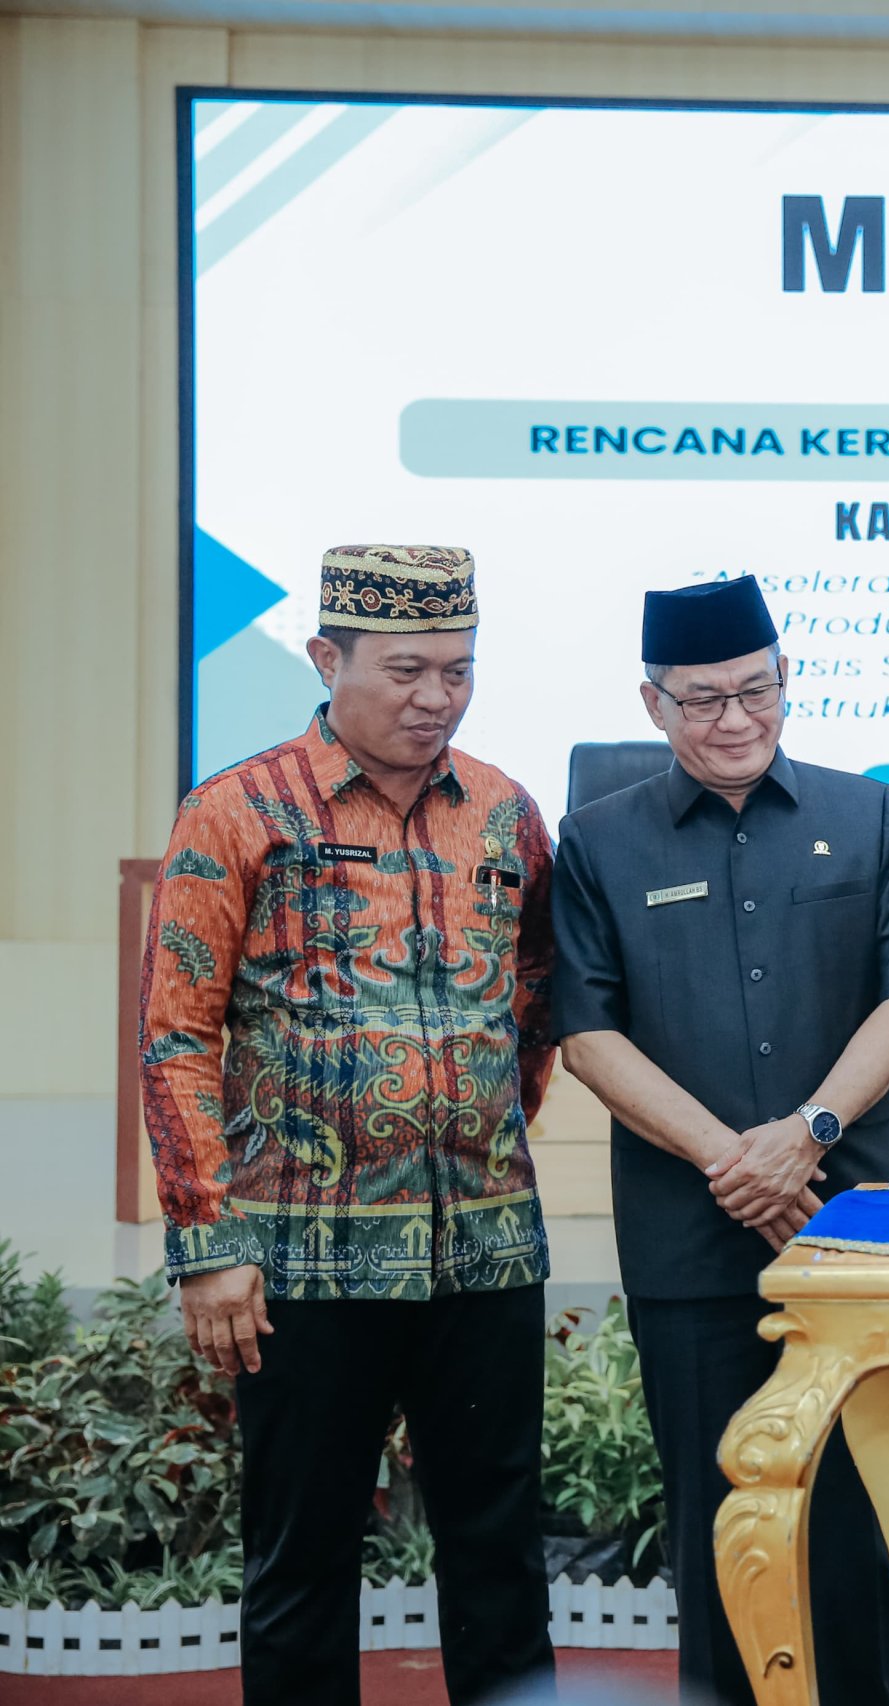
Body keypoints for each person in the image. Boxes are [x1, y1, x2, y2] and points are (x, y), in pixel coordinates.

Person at [137, 544, 556, 1705]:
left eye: (458, 670)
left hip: (485, 1254)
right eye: (406, 670)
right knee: (303, 1561)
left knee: (501, 1559)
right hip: (298, 1262)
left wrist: (477, 1127)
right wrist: (208, 1240)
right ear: (328, 658)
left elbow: (534, 998)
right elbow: (176, 1032)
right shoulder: (237, 809)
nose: (436, 698)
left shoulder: (507, 812)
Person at [549, 575, 889, 1706]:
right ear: (654, 704)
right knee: (722, 1524)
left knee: (861, 1516)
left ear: (785, 679)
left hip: (848, 1226)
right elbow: (587, 1036)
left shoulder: (867, 814)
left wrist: (806, 1135)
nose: (735, 720)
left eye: (756, 691)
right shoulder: (598, 840)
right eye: (704, 700)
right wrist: (738, 1161)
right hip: (691, 1239)